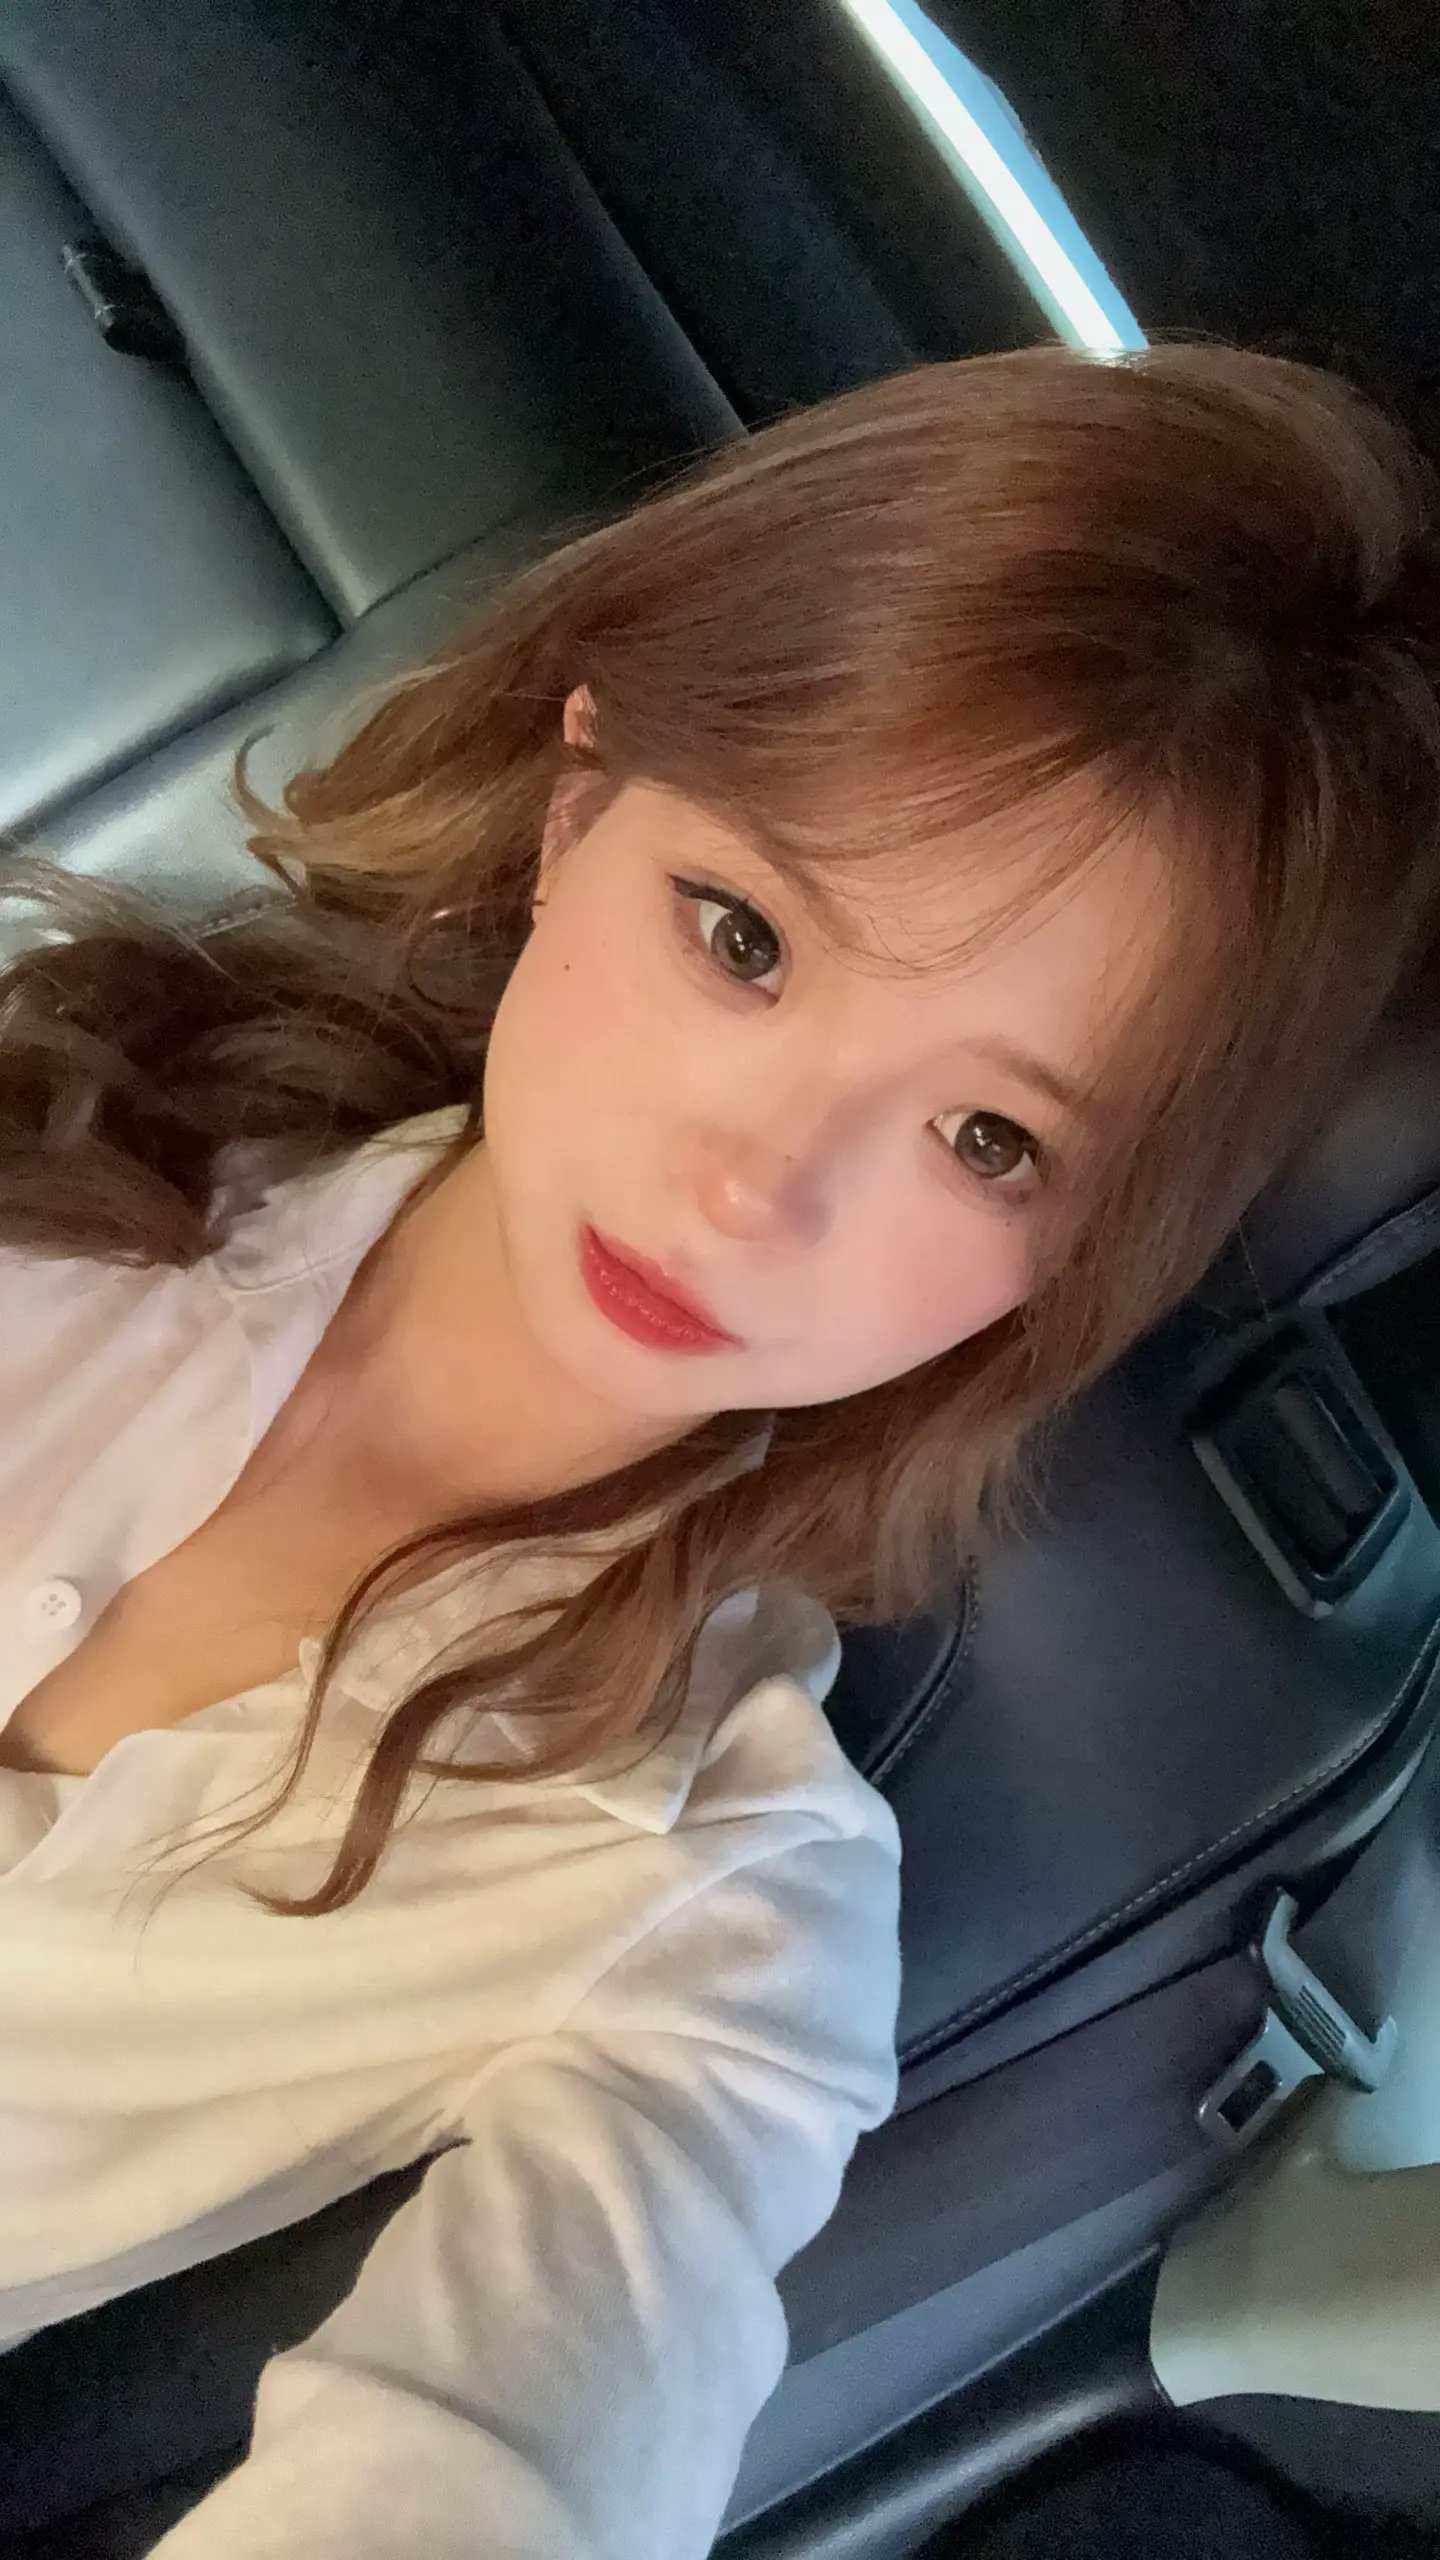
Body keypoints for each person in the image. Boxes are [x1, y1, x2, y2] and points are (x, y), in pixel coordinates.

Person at [0, 339, 1438, 2560]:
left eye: (990, 1136)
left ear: (1083, 1260)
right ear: (576, 808)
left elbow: (504, 2472)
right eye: (747, 936)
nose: (756, 1190)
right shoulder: (61, 1098)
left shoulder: (716, 1912)